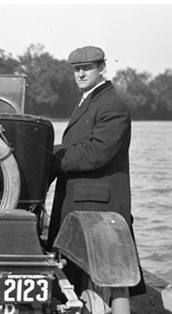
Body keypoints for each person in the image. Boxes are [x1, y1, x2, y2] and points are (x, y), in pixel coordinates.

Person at [47, 46, 146, 296]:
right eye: (76, 69)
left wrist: (52, 157)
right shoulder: (91, 100)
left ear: (101, 68)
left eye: (86, 68)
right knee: (77, 269)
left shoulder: (112, 104)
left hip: (98, 204)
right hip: (83, 199)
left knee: (95, 270)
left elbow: (97, 152)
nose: (80, 74)